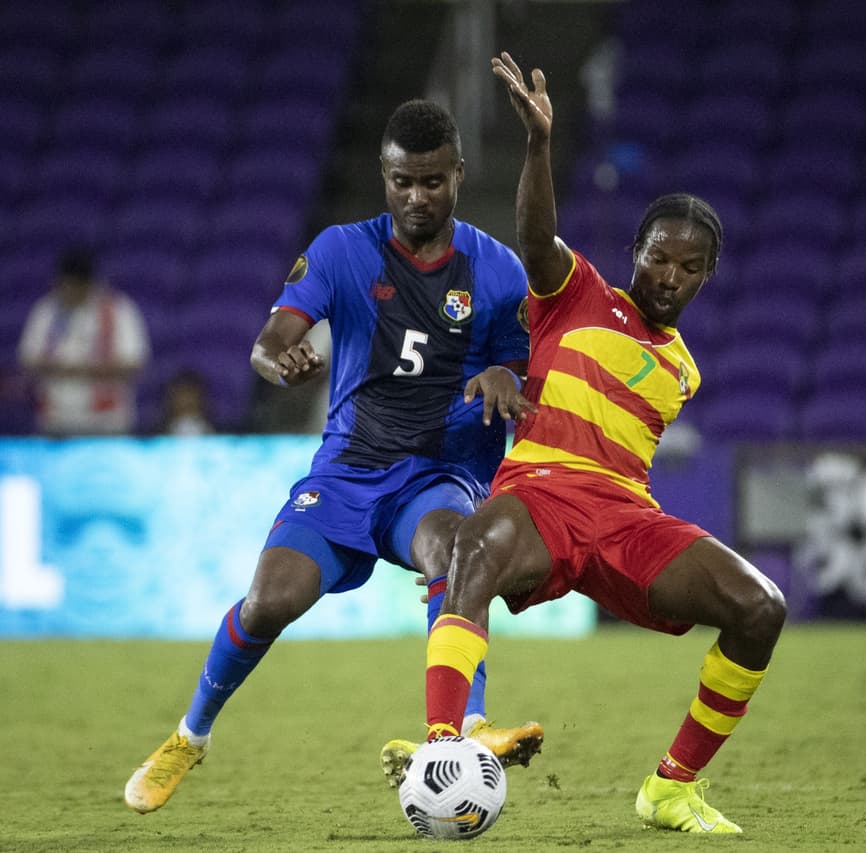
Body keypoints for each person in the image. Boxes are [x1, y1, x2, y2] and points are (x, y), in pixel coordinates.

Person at [124, 99, 543, 814]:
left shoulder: (498, 270)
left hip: (438, 474)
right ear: (384, 176)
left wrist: (509, 374)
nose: (417, 197)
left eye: (432, 181)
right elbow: (270, 341)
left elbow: (524, 368)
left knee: (453, 547)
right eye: (402, 181)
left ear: (459, 175)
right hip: (347, 471)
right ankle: (190, 735)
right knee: (268, 602)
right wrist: (278, 362)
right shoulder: (342, 250)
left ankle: (465, 728)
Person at [416, 53, 787, 835]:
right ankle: (442, 746)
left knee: (760, 607)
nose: (669, 274)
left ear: (707, 277)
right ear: (635, 253)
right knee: (473, 550)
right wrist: (540, 143)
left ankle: (671, 787)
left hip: (623, 515)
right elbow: (534, 235)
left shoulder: (683, 369)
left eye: (689, 266)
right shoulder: (576, 291)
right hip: (539, 494)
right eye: (658, 257)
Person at [18, 248, 150, 436]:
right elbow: (27, 359)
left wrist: (84, 370)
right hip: (55, 420)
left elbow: (135, 363)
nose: (68, 291)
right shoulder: (46, 310)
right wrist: (58, 368)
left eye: (74, 286)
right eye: (64, 285)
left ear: (89, 283)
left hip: (106, 422)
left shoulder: (118, 310)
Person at [158, 368, 216, 436]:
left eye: (191, 393)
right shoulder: (157, 434)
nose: (186, 400)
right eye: (181, 394)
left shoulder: (218, 432)